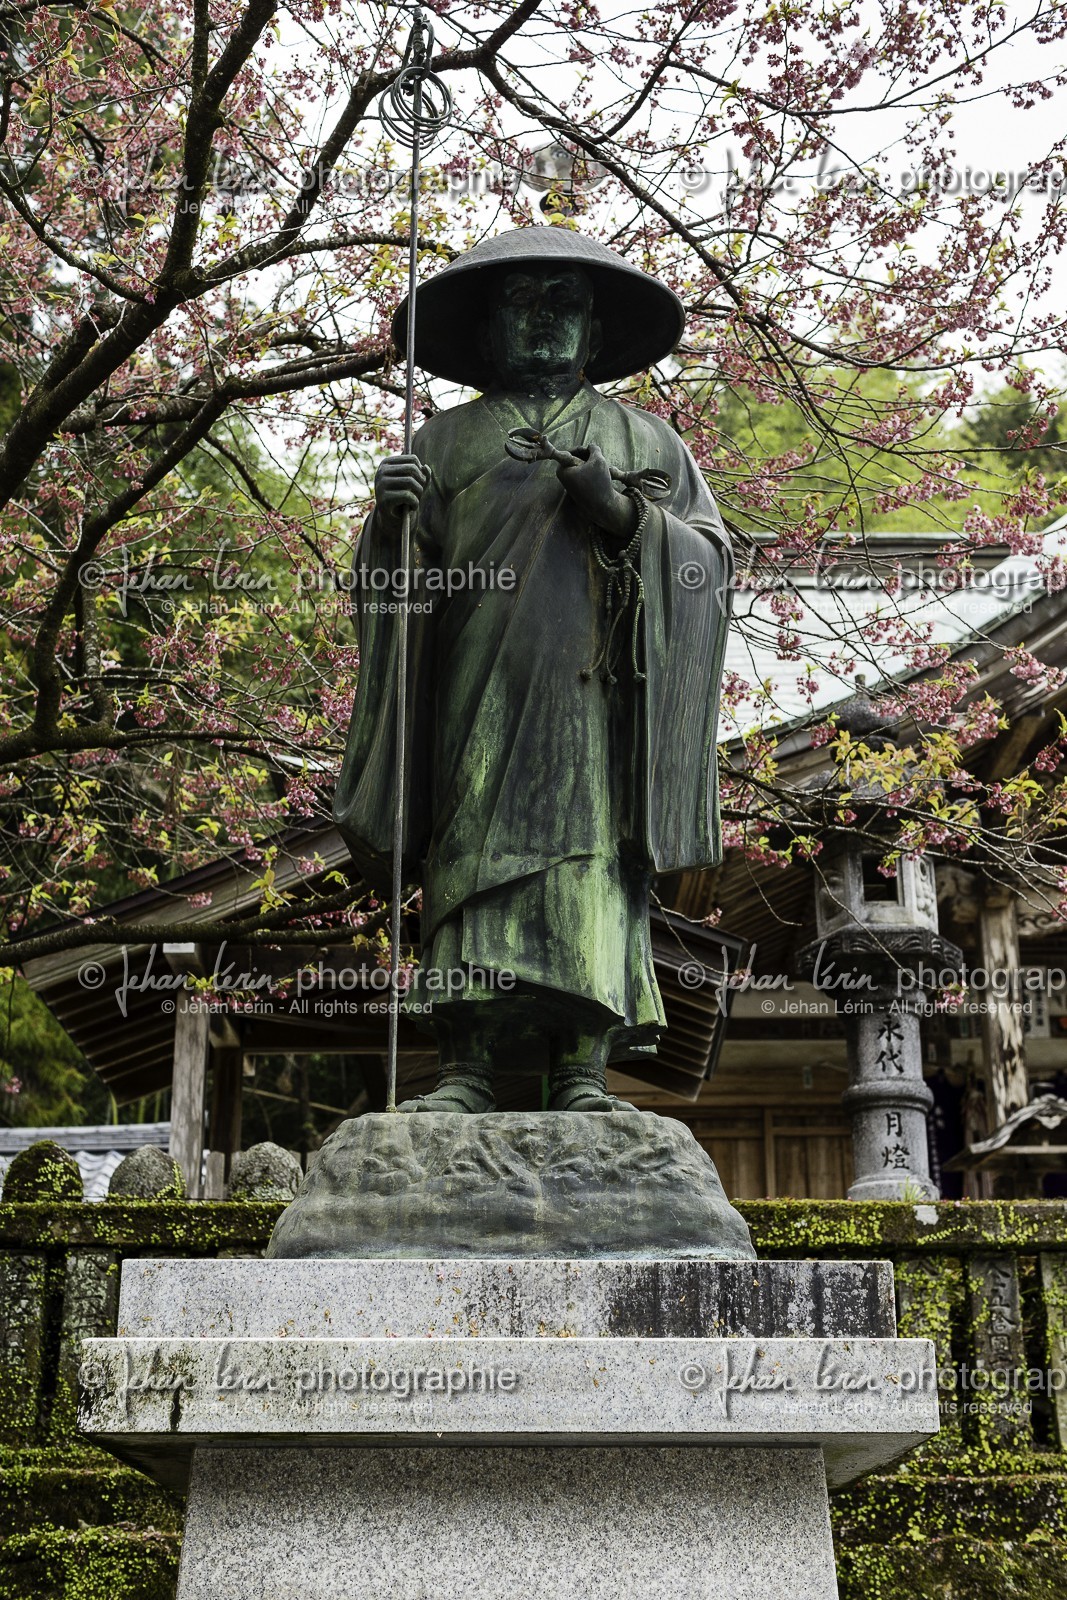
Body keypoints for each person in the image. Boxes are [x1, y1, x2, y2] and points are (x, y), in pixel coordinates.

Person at [334, 228, 733, 1112]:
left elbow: (707, 566)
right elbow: (397, 595)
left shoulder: (645, 438)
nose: (543, 320)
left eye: (565, 303)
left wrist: (621, 511)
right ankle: (466, 1065)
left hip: (594, 701)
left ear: (595, 331)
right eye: (521, 303)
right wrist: (392, 527)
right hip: (474, 685)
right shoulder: (442, 442)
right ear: (487, 331)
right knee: (469, 854)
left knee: (587, 864)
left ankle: (582, 1067)